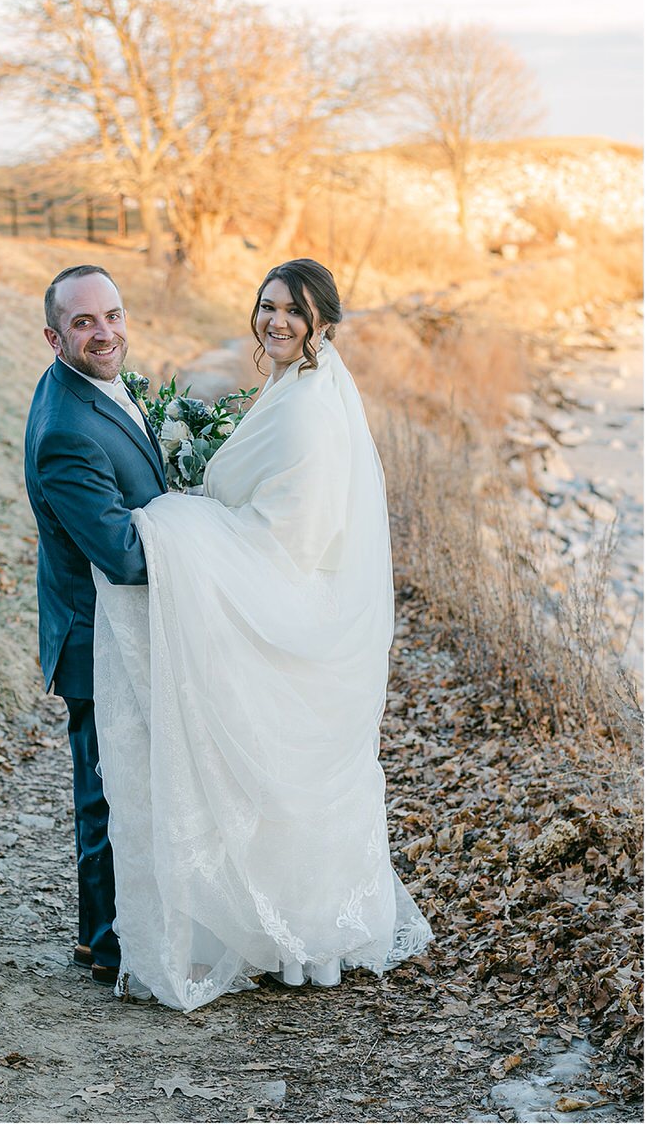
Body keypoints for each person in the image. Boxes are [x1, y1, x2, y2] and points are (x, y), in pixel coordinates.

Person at [92, 258, 434, 1011]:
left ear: (323, 325)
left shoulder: (312, 406)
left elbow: (294, 533)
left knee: (286, 775)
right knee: (275, 774)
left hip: (292, 608)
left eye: (294, 312)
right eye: (268, 306)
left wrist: (186, 524)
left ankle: (303, 937)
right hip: (281, 599)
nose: (276, 321)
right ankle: (287, 936)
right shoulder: (298, 385)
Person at [24, 264, 166, 984]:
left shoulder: (88, 386)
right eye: (83, 323)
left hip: (111, 628)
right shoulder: (66, 432)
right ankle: (107, 941)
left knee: (119, 784)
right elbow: (122, 553)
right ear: (55, 337)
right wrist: (207, 533)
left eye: (111, 314)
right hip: (96, 636)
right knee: (105, 793)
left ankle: (107, 930)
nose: (104, 332)